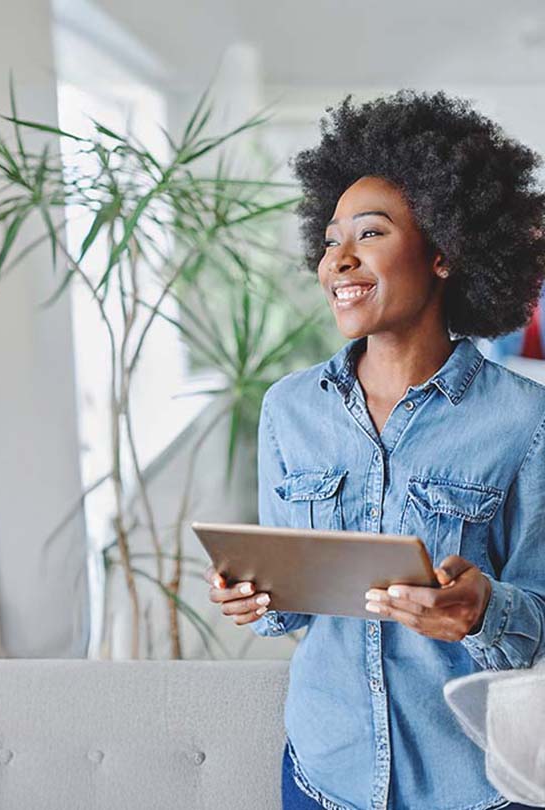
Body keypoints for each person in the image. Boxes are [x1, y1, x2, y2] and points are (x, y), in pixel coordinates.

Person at [204, 90, 545, 810]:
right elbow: (289, 612)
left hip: (473, 786)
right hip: (324, 773)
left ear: (446, 251)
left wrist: (483, 612)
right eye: (330, 240)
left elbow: (537, 622)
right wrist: (252, 598)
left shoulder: (525, 419)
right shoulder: (289, 409)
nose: (340, 259)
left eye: (370, 233)